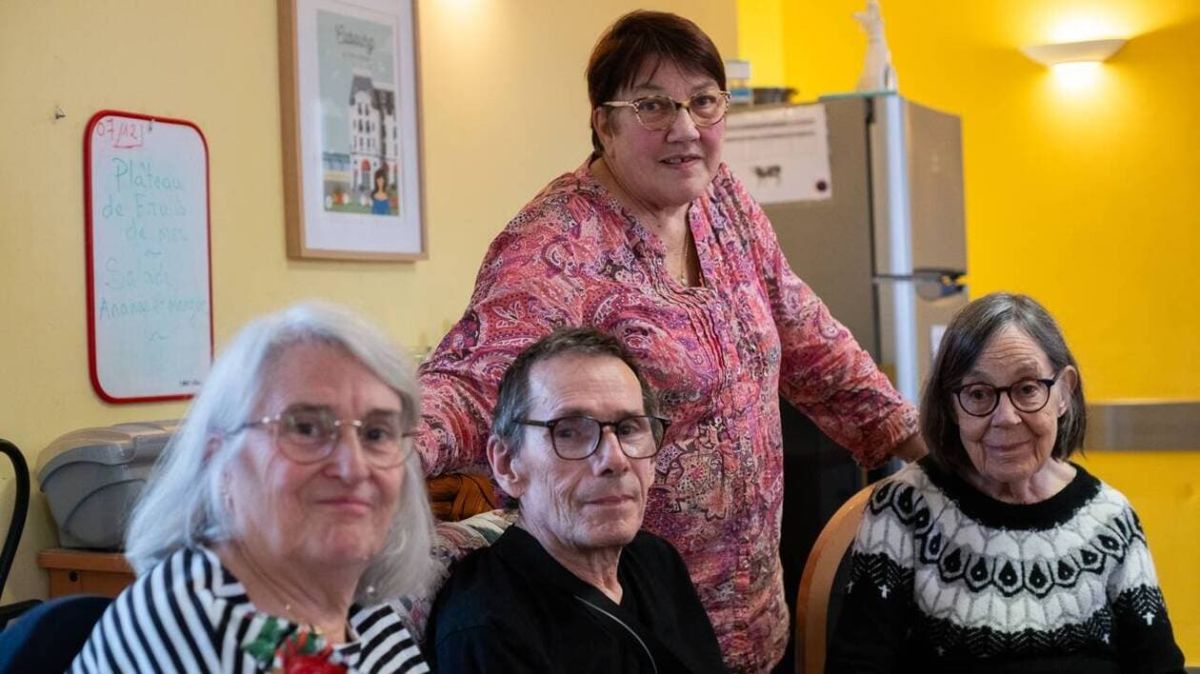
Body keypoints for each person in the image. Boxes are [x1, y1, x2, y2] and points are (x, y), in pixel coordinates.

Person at [415, 10, 924, 672]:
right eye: (653, 106)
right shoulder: (554, 248)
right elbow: (470, 383)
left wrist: (922, 448)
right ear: (604, 122)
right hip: (629, 632)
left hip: (751, 622)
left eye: (704, 103)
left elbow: (809, 339)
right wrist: (364, 449)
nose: (685, 129)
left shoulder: (724, 203)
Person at [826, 293, 1186, 673]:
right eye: (979, 394)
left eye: (1028, 388)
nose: (1006, 418)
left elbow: (1159, 666)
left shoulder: (1111, 519)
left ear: (1064, 392)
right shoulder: (903, 510)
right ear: (951, 406)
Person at [70, 302, 436, 674]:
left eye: (376, 433)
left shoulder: (357, 600)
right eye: (306, 429)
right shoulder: (195, 622)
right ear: (220, 463)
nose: (354, 467)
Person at [426, 328, 726, 673]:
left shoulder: (657, 560)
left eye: (629, 429)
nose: (615, 459)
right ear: (508, 464)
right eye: (568, 431)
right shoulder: (488, 628)